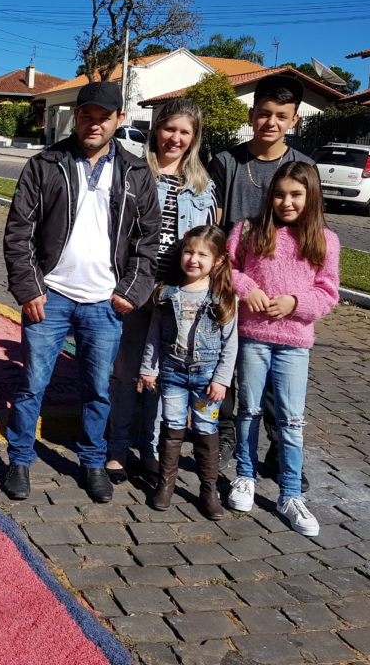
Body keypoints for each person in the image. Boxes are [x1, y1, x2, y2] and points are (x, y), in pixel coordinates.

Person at [2, 81, 160, 504]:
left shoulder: (136, 173)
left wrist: (131, 292)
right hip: (50, 296)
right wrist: (28, 287)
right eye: (87, 115)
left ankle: (92, 462)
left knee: (97, 388)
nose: (94, 124)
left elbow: (148, 241)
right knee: (33, 383)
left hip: (105, 302)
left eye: (103, 117)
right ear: (76, 115)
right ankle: (19, 459)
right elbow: (20, 232)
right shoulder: (46, 164)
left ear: (119, 120)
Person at [208, 74, 314, 482]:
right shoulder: (227, 162)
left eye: (281, 116)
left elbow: (310, 234)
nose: (271, 122)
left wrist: (295, 298)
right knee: (227, 368)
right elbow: (215, 225)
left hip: (284, 297)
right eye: (264, 113)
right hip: (234, 283)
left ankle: (276, 451)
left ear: (294, 120)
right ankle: (227, 440)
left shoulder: (303, 166)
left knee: (276, 379)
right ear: (252, 114)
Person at [106, 99, 217, 486]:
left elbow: (209, 240)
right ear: (157, 129)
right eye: (170, 128)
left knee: (161, 376)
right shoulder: (133, 171)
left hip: (177, 295)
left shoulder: (203, 185)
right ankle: (117, 447)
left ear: (194, 137)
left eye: (184, 132)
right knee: (125, 371)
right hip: (134, 284)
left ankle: (149, 448)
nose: (176, 138)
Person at [226, 162, 339, 535]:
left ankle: (291, 494)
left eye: (295, 195)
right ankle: (245, 474)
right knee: (249, 409)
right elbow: (227, 268)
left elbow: (327, 292)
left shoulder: (324, 240)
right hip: (254, 337)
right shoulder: (249, 231)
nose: (286, 202)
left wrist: (295, 303)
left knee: (291, 420)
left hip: (294, 343)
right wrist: (248, 289)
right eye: (279, 194)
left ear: (311, 197)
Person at [140, 225, 238, 520]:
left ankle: (208, 490)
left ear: (218, 260)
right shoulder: (166, 294)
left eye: (202, 255)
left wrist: (222, 379)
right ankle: (165, 484)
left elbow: (231, 344)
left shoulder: (223, 297)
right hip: (172, 373)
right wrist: (149, 368)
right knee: (171, 426)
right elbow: (154, 335)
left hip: (207, 379)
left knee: (206, 430)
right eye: (188, 252)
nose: (193, 259)